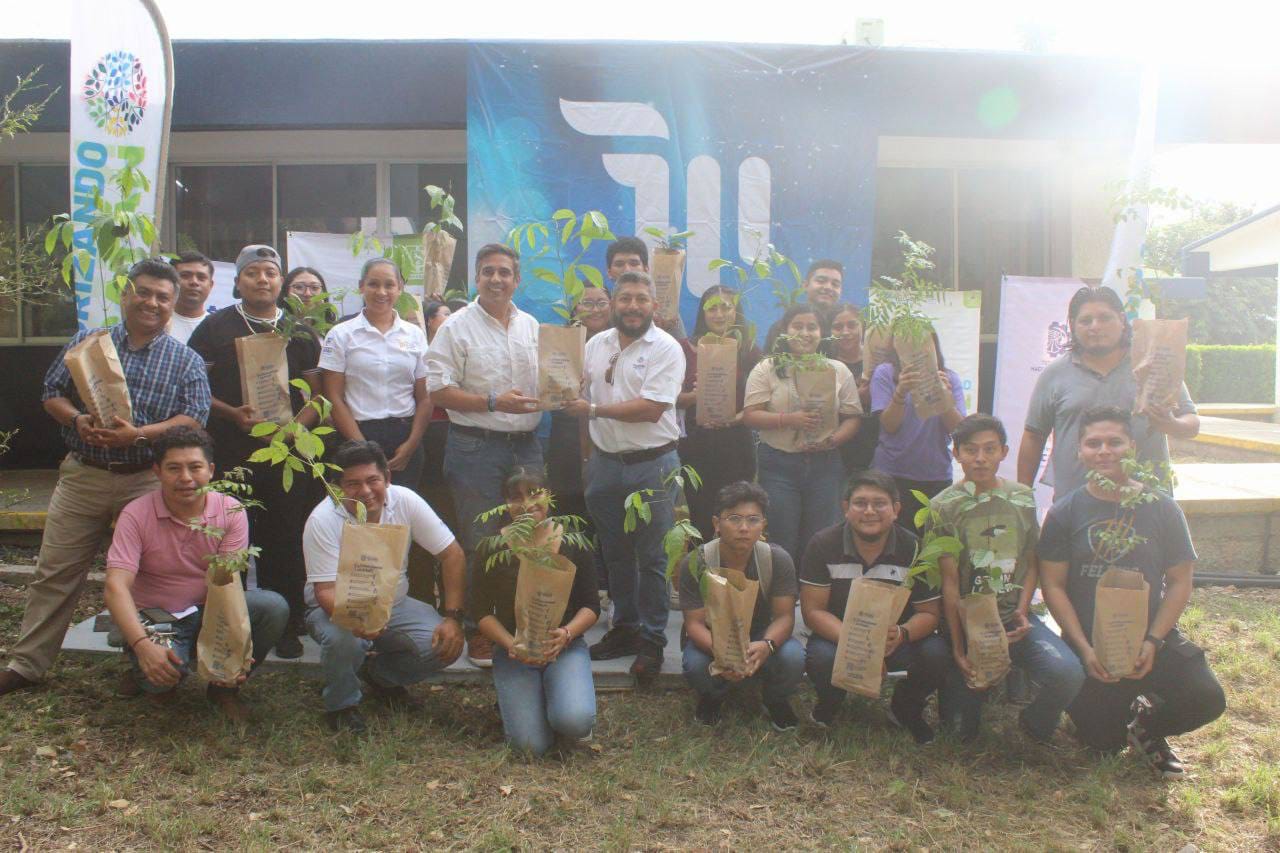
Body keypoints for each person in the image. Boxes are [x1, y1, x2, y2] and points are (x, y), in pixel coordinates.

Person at [0, 259, 211, 698]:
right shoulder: (88, 344)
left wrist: (140, 435)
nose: (151, 303)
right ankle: (26, 665)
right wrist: (77, 420)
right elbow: (51, 393)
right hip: (85, 476)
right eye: (143, 292)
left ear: (172, 305)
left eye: (162, 297)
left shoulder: (185, 359)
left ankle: (141, 661)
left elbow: (194, 418)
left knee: (153, 577)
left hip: (148, 483)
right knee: (55, 572)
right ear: (126, 294)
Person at [1038, 406, 1225, 777]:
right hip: (1091, 647)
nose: (1104, 451)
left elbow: (1180, 581)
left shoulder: (1161, 508)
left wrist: (1153, 641)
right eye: (1093, 443)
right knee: (1102, 743)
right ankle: (1113, 712)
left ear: (1133, 447)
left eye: (1115, 442)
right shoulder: (1064, 513)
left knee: (1207, 698)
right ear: (1079, 452)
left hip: (1150, 639)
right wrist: (1083, 648)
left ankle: (1148, 726)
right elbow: (1053, 586)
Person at [187, 244, 322, 660]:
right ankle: (229, 619)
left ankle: (287, 623)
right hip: (232, 451)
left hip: (287, 454)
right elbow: (194, 387)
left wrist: (293, 430)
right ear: (238, 281)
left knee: (285, 534)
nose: (262, 280)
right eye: (252, 273)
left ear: (280, 281)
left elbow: (319, 395)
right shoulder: (215, 328)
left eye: (270, 272)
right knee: (230, 535)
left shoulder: (300, 330)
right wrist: (232, 414)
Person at [102, 426, 289, 720]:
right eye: (174, 468)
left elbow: (226, 587)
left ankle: (224, 689)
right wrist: (142, 645)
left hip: (210, 610)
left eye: (195, 467)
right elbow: (116, 586)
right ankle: (143, 667)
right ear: (157, 471)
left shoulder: (231, 511)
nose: (186, 478)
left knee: (272, 607)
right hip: (157, 615)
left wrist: (234, 647)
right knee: (163, 678)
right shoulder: (135, 514)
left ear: (211, 470)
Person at [561, 271, 685, 681]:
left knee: (652, 557)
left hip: (652, 464)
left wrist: (593, 411)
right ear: (614, 303)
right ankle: (626, 628)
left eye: (641, 299)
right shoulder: (595, 344)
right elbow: (579, 397)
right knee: (614, 554)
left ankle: (652, 640)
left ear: (654, 305)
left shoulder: (666, 348)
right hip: (605, 463)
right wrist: (587, 457)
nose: (633, 306)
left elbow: (652, 408)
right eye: (625, 298)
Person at [932, 414, 1085, 742]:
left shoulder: (1021, 498)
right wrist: (959, 649)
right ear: (956, 453)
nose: (980, 458)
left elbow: (1031, 561)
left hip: (1014, 621)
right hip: (968, 626)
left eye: (990, 449)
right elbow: (950, 583)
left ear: (1004, 452)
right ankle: (971, 689)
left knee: (1067, 673)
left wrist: (1022, 610)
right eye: (970, 450)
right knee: (959, 735)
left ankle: (1035, 722)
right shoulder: (943, 507)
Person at [424, 242, 542, 667]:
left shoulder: (531, 326)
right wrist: (493, 401)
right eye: (488, 271)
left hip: (526, 445)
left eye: (504, 272)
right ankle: (479, 630)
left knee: (531, 536)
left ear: (517, 279)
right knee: (482, 542)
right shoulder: (455, 327)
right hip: (474, 445)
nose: (496, 278)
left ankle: (525, 621)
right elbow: (438, 391)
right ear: (476, 278)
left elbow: (547, 381)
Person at [303, 441, 466, 734]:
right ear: (337, 487)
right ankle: (341, 705)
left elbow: (452, 554)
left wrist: (453, 616)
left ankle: (379, 677)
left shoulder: (406, 501)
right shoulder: (322, 518)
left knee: (444, 643)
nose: (365, 491)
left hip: (395, 603)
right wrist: (359, 620)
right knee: (344, 640)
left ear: (387, 478)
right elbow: (325, 590)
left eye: (372, 480)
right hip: (335, 606)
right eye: (352, 484)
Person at [801, 471, 949, 743]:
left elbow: (929, 614)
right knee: (821, 658)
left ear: (896, 509)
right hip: (839, 637)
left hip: (894, 641)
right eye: (860, 503)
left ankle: (906, 709)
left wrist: (902, 633)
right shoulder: (823, 544)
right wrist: (858, 643)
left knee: (936, 653)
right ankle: (830, 702)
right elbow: (813, 612)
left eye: (879, 503)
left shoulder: (915, 549)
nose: (869, 511)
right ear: (845, 508)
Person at [1019, 286, 1199, 500]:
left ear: (1122, 320)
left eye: (1105, 318)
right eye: (1086, 320)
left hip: (1147, 501)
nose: (1095, 326)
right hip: (1076, 505)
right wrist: (1023, 498)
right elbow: (1034, 436)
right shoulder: (1054, 375)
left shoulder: (1153, 366)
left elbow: (1192, 423)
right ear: (1073, 325)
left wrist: (1172, 424)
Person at [470, 469, 599, 755]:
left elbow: (591, 605)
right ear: (505, 504)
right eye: (516, 497)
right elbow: (480, 611)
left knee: (575, 720)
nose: (526, 503)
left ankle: (563, 708)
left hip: (564, 647)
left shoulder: (574, 542)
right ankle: (530, 705)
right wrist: (510, 644)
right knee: (530, 746)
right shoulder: (492, 547)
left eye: (534, 493)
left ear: (549, 495)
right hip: (514, 652)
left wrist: (566, 634)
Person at [742, 304, 862, 565]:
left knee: (820, 541)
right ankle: (784, 590)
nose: (805, 333)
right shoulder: (767, 368)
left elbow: (853, 417)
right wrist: (789, 420)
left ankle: (812, 590)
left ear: (822, 333)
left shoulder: (837, 369)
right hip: (779, 465)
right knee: (781, 541)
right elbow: (750, 415)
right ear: (785, 331)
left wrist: (833, 440)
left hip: (825, 466)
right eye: (797, 326)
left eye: (812, 327)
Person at [679, 481, 804, 730]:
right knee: (695, 665)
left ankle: (775, 699)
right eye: (734, 519)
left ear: (763, 525)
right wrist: (725, 654)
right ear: (716, 524)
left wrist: (767, 645)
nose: (744, 528)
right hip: (713, 637)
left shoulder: (777, 559)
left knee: (793, 657)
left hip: (759, 635)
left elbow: (784, 618)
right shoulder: (697, 561)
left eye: (753, 520)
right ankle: (712, 697)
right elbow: (694, 624)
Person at [321, 258, 431, 489]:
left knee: (402, 506)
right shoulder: (341, 334)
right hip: (356, 435)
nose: (381, 292)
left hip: (405, 437)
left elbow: (425, 397)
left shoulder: (415, 335)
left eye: (389, 285)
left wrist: (412, 443)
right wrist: (363, 448)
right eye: (373, 284)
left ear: (400, 288)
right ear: (361, 286)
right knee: (361, 507)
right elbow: (333, 398)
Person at [678, 285, 763, 541]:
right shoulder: (684, 348)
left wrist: (734, 419)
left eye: (726, 307)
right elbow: (667, 399)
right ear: (702, 313)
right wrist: (693, 396)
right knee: (701, 514)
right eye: (712, 308)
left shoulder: (749, 350)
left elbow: (760, 401)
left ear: (736, 311)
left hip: (736, 442)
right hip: (696, 442)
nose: (719, 314)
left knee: (737, 515)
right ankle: (701, 565)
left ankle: (735, 565)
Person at [545, 286, 611, 584]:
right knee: (570, 511)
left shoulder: (623, 342)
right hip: (567, 437)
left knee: (607, 514)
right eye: (587, 303)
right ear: (574, 309)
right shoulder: (560, 344)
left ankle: (607, 587)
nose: (595, 309)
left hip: (608, 435)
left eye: (601, 302)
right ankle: (573, 587)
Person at [870, 330, 966, 534]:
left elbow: (959, 431)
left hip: (936, 475)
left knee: (932, 541)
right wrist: (900, 392)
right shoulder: (886, 373)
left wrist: (942, 395)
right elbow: (889, 425)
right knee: (893, 540)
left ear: (933, 345)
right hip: (892, 474)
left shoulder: (949, 377)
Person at [825, 303, 878, 476]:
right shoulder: (825, 364)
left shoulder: (877, 361)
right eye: (838, 327)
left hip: (876, 447)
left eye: (852, 325)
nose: (845, 332)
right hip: (837, 451)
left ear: (863, 326)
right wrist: (855, 398)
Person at [169, 251, 216, 344]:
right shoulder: (157, 323)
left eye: (201, 277)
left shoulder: (217, 327)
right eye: (185, 276)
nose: (194, 282)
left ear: (211, 285)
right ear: (170, 282)